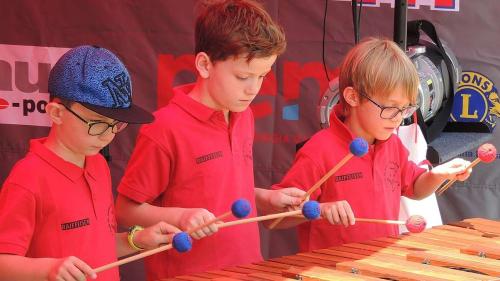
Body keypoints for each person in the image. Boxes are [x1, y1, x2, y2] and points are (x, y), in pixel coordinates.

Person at [115, 0, 305, 279]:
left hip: (248, 269)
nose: (253, 89)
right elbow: (125, 210)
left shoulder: (244, 116)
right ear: (204, 65)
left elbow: (219, 189)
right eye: (243, 76)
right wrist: (180, 217)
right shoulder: (165, 128)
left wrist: (265, 198)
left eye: (262, 76)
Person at [270, 37, 472, 252]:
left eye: (406, 109)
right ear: (353, 97)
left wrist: (438, 175)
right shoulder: (318, 151)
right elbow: (276, 219)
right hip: (332, 269)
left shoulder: (392, 145)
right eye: (390, 107)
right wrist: (317, 209)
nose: (398, 118)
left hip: (380, 262)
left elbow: (415, 188)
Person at [0, 45, 180, 281]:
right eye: (97, 123)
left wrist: (136, 240)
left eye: (116, 124)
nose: (108, 135)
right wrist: (48, 270)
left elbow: (95, 248)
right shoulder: (28, 179)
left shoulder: (97, 165)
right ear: (56, 113)